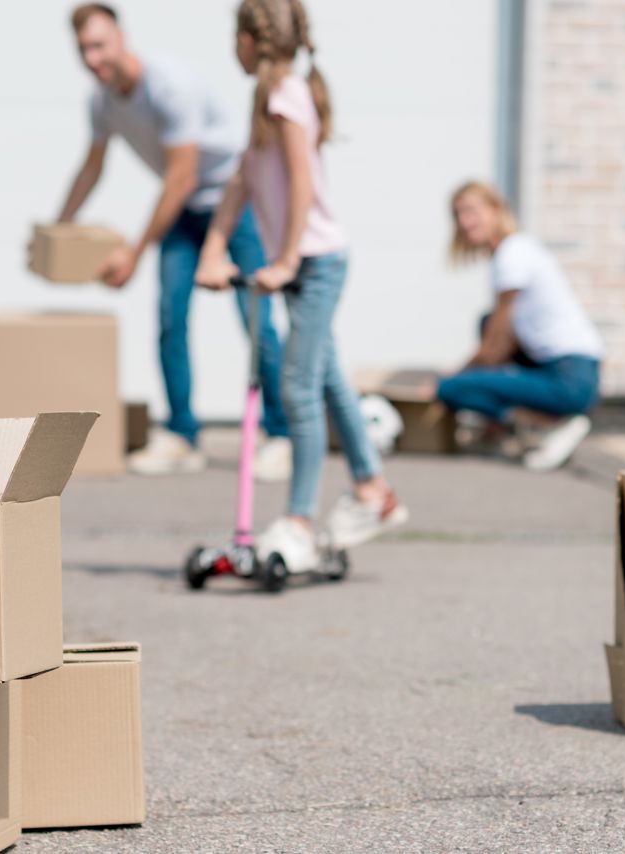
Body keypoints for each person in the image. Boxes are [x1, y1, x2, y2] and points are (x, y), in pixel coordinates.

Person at [195, 0, 407, 571]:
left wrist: (286, 258)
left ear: (250, 41)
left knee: (296, 386)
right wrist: (214, 251)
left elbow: (303, 182)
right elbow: (241, 180)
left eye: (233, 37)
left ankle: (298, 519)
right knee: (331, 379)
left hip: (316, 262)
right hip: (303, 264)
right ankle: (372, 493)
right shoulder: (267, 99)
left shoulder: (288, 97)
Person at [57, 3, 291, 479]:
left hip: (234, 198)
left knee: (256, 319)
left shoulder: (170, 86)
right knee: (170, 317)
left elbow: (180, 178)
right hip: (185, 212)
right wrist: (58, 230)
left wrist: (134, 253)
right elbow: (93, 164)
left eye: (99, 45)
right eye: (83, 50)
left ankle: (281, 433)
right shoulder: (102, 99)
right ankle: (183, 436)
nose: (93, 58)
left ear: (121, 36)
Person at [437, 181, 604, 471]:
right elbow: (498, 333)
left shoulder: (512, 255)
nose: (464, 222)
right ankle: (522, 427)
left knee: (451, 390)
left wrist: (448, 379)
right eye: (458, 215)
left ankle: (551, 424)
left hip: (569, 380)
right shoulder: (520, 250)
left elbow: (494, 348)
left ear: (496, 209)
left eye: (471, 211)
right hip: (573, 371)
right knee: (486, 321)